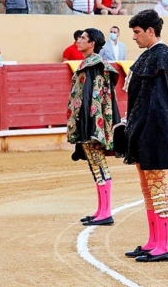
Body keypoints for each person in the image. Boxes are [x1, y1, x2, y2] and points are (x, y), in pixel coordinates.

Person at [123, 9, 168, 263]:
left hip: (153, 132)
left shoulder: (163, 56)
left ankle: (164, 245)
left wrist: (149, 133)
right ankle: (153, 241)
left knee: (158, 189)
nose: (134, 37)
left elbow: (160, 104)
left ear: (151, 31)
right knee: (148, 190)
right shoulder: (151, 56)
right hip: (143, 131)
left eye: (137, 32)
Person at [67, 28, 121, 227]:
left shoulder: (94, 65)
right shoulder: (92, 64)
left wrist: (91, 126)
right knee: (94, 164)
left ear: (92, 43)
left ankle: (106, 211)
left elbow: (94, 97)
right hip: (91, 121)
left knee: (99, 164)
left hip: (92, 122)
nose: (79, 40)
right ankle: (101, 210)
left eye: (83, 38)